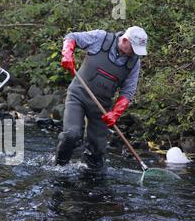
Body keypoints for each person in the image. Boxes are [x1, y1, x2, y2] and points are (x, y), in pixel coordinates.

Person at [55, 26, 148, 173]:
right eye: (134, 48)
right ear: (124, 40)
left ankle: (91, 178)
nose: (135, 53)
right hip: (78, 95)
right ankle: (59, 167)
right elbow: (72, 37)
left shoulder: (134, 63)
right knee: (72, 135)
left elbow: (128, 91)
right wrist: (67, 53)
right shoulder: (101, 38)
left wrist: (115, 113)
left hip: (102, 107)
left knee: (97, 150)